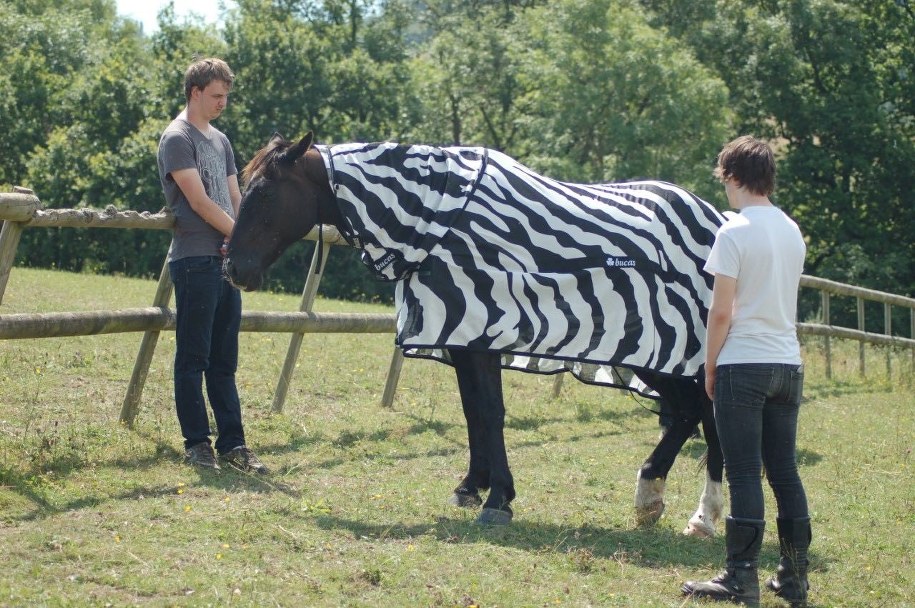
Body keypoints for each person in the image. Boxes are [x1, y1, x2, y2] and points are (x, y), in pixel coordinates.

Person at [682, 136, 810, 607]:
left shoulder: (733, 231)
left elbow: (721, 313)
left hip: (744, 362)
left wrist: (710, 365)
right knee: (785, 473)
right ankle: (794, 580)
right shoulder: (792, 229)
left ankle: (740, 578)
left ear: (732, 176)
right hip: (787, 364)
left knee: (742, 473)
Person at [157, 57, 268, 474]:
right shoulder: (176, 137)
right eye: (217, 95)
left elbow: (234, 197)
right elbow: (199, 201)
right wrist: (236, 238)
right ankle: (197, 444)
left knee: (224, 359)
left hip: (224, 262)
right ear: (195, 92)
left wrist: (242, 242)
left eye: (226, 96)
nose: (223, 102)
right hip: (195, 259)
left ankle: (234, 444)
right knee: (194, 356)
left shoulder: (221, 141)